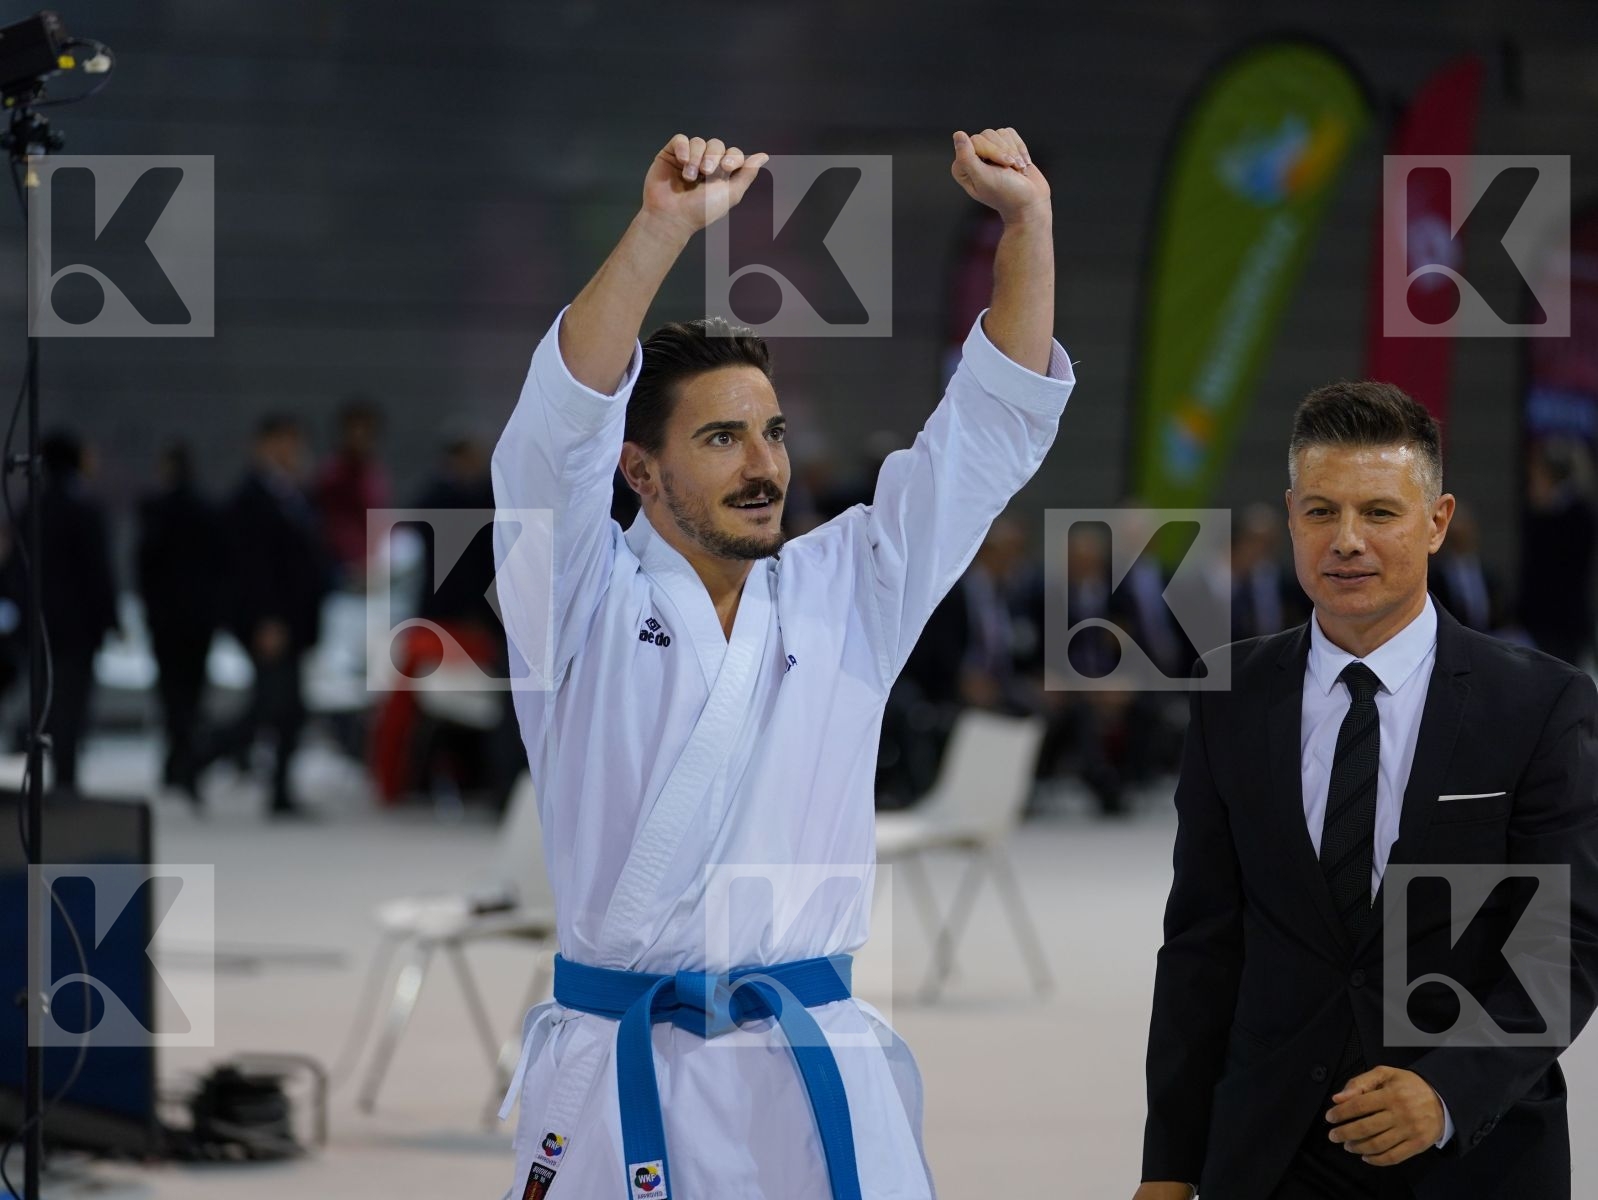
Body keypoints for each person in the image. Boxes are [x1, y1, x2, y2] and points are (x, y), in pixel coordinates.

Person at [492, 129, 1070, 1200]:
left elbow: (988, 430)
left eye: (771, 432)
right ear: (638, 468)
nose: (764, 467)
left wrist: (1027, 224)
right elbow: (551, 434)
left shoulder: (845, 587)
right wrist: (662, 226)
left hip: (811, 1080)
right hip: (626, 1075)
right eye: (719, 439)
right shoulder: (569, 599)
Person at [1134, 381, 1598, 1200]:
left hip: (1470, 1156)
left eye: (1379, 513)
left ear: (1438, 521)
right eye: (1321, 512)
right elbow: (1201, 946)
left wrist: (1449, 1091)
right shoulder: (1229, 693)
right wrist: (1168, 1166)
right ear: (1290, 517)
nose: (1346, 541)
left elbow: (1563, 943)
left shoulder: (1538, 704)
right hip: (1270, 1152)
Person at [198, 415, 332, 817]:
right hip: (269, 621)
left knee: (286, 709)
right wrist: (266, 619)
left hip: (296, 619)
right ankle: (198, 756)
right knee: (271, 706)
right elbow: (250, 568)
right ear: (262, 445)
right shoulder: (249, 499)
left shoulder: (296, 495)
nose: (291, 451)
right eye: (283, 442)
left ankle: (279, 791)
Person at [5, 431, 119, 792]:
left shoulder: (29, 507)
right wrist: (110, 619)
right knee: (72, 702)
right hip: (77, 628)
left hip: (39, 625)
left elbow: (14, 571)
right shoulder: (83, 508)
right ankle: (65, 778)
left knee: (46, 697)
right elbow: (97, 571)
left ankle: (43, 764)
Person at [136, 442, 225, 799]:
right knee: (192, 690)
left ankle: (180, 758)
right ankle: (185, 757)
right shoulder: (206, 509)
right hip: (199, 619)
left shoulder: (155, 509)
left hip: (166, 619)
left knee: (172, 693)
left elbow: (144, 566)